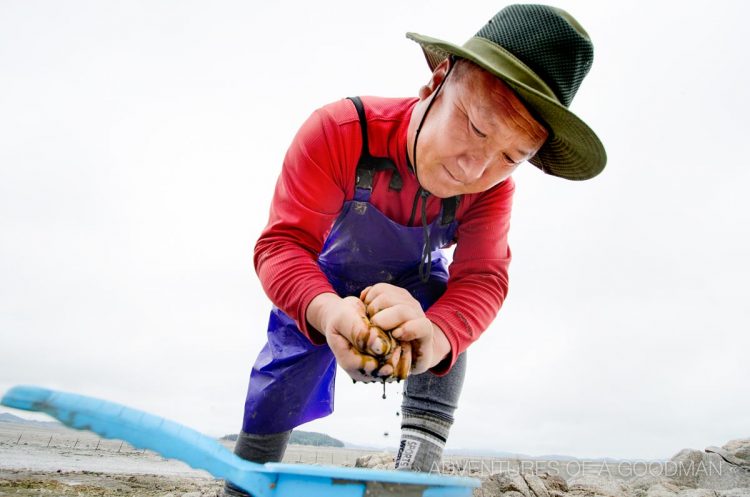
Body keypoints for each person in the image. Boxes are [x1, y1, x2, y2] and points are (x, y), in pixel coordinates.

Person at [225, 4, 606, 495]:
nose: (475, 170)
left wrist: (437, 337)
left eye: (511, 157)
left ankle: (413, 478)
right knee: (281, 373)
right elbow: (283, 245)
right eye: (475, 126)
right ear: (437, 81)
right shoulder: (341, 132)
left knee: (446, 328)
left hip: (414, 290)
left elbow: (483, 278)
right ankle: (242, 485)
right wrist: (324, 311)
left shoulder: (491, 191)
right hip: (320, 283)